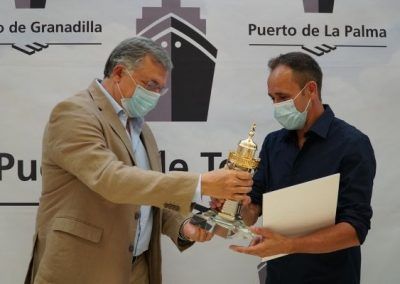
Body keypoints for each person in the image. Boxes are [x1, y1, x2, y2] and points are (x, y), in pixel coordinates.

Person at [24, 37, 253, 284]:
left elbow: (149, 196)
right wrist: (200, 184)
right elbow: (111, 180)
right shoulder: (74, 113)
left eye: (160, 89)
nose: (155, 95)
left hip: (138, 269)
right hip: (81, 270)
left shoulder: (141, 129)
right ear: (120, 72)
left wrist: (184, 225)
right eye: (150, 84)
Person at [228, 52, 376, 284]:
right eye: (272, 98)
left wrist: (290, 245)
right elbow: (253, 209)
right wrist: (238, 205)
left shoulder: (353, 144)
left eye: (282, 97)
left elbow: (355, 229)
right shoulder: (272, 143)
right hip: (277, 277)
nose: (276, 106)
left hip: (332, 278)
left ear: (310, 90)